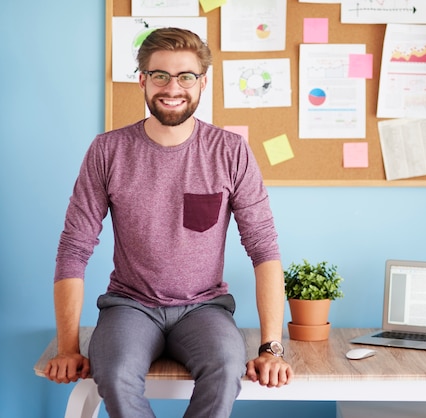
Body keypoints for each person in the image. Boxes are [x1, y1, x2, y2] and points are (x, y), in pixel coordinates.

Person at [43, 27, 293, 418]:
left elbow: (264, 250)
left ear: (203, 83)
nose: (172, 87)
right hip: (130, 305)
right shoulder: (107, 151)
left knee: (227, 369)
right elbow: (74, 248)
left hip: (204, 308)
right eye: (160, 75)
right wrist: (68, 347)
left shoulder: (230, 152)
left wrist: (271, 348)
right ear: (141, 80)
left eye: (186, 76)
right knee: (115, 372)